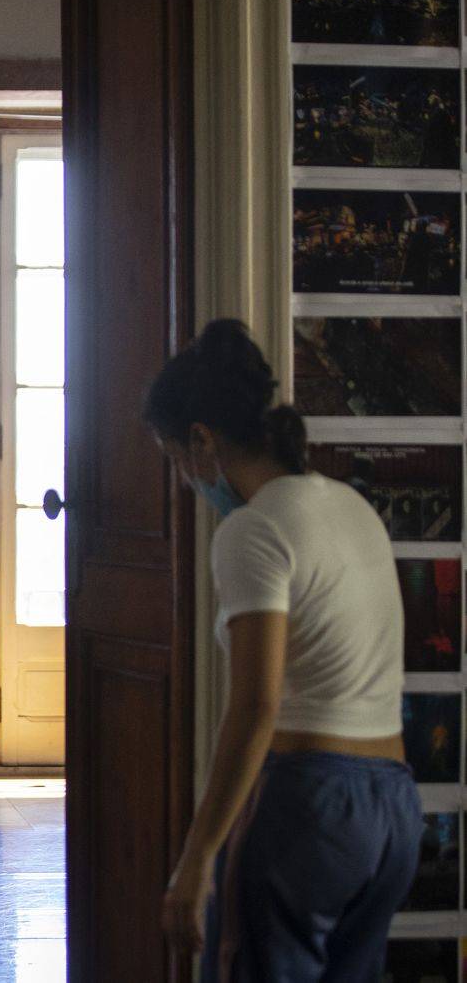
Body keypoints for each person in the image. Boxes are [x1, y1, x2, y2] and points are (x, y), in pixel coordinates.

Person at [146, 319, 420, 979]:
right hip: (393, 811)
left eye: (178, 459)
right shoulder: (350, 506)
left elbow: (256, 705)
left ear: (203, 440)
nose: (184, 481)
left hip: (311, 808)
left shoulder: (253, 531)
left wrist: (197, 857)